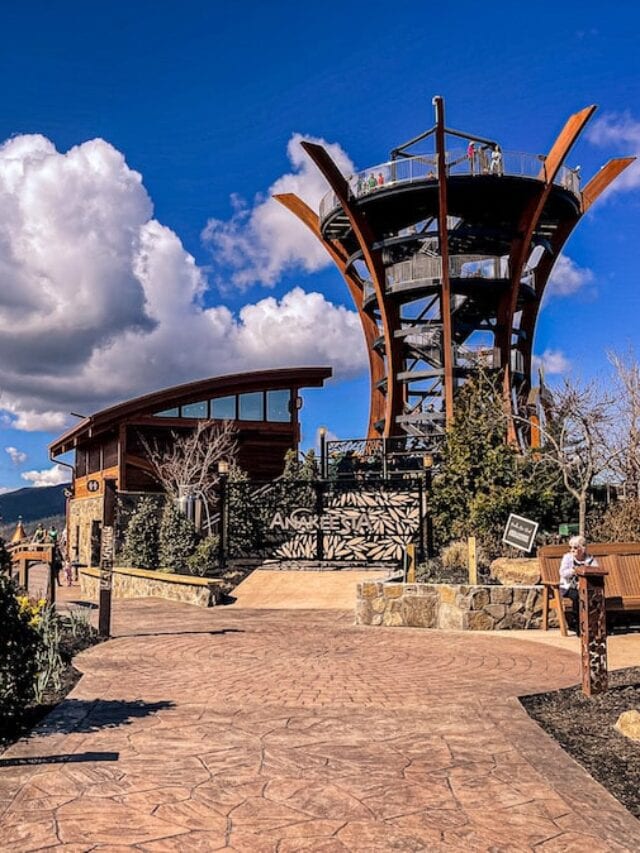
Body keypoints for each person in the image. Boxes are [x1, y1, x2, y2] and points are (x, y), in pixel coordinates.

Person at [559, 535, 597, 635]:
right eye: (570, 547)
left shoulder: (590, 559)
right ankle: (579, 626)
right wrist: (574, 571)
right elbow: (563, 573)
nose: (572, 550)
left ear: (582, 548)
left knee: (594, 595)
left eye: (575, 547)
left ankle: (592, 626)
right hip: (568, 587)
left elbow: (596, 571)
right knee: (578, 596)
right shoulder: (567, 558)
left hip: (585, 587)